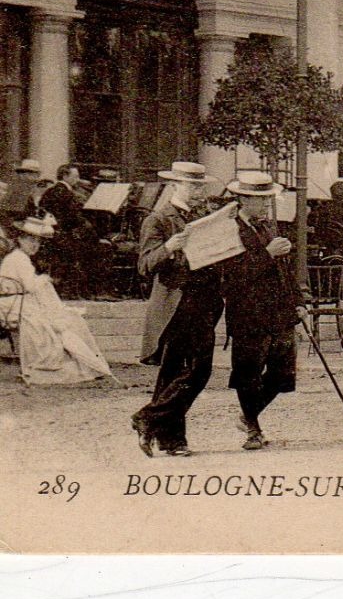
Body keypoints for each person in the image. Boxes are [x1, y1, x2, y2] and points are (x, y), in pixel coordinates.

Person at [132, 162, 226, 456]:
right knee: (184, 370)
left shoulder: (205, 216)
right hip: (176, 303)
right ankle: (168, 436)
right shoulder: (158, 219)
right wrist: (170, 247)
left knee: (194, 370)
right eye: (192, 185)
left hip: (205, 299)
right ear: (175, 186)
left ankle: (153, 424)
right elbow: (145, 266)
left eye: (200, 186)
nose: (198, 192)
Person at [216, 173, 298, 450]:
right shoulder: (227, 229)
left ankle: (247, 415)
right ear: (243, 199)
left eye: (268, 200)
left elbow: (282, 272)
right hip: (247, 312)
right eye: (261, 201)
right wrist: (267, 254)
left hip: (278, 311)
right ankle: (252, 428)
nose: (266, 206)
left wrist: (297, 301)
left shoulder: (265, 227)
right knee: (249, 372)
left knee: (282, 373)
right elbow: (230, 274)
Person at [1, 215, 115, 385]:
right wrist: (44, 279)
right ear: (20, 239)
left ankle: (83, 361)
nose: (34, 245)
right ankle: (74, 363)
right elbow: (30, 286)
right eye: (30, 240)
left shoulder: (19, 258)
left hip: (15, 302)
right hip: (11, 306)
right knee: (58, 322)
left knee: (62, 319)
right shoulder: (19, 259)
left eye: (38, 242)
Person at [37, 164, 89, 298]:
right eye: (75, 176)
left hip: (50, 235)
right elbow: (73, 219)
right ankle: (79, 289)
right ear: (65, 176)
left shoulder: (50, 190)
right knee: (93, 246)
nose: (78, 179)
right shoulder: (66, 193)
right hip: (62, 238)